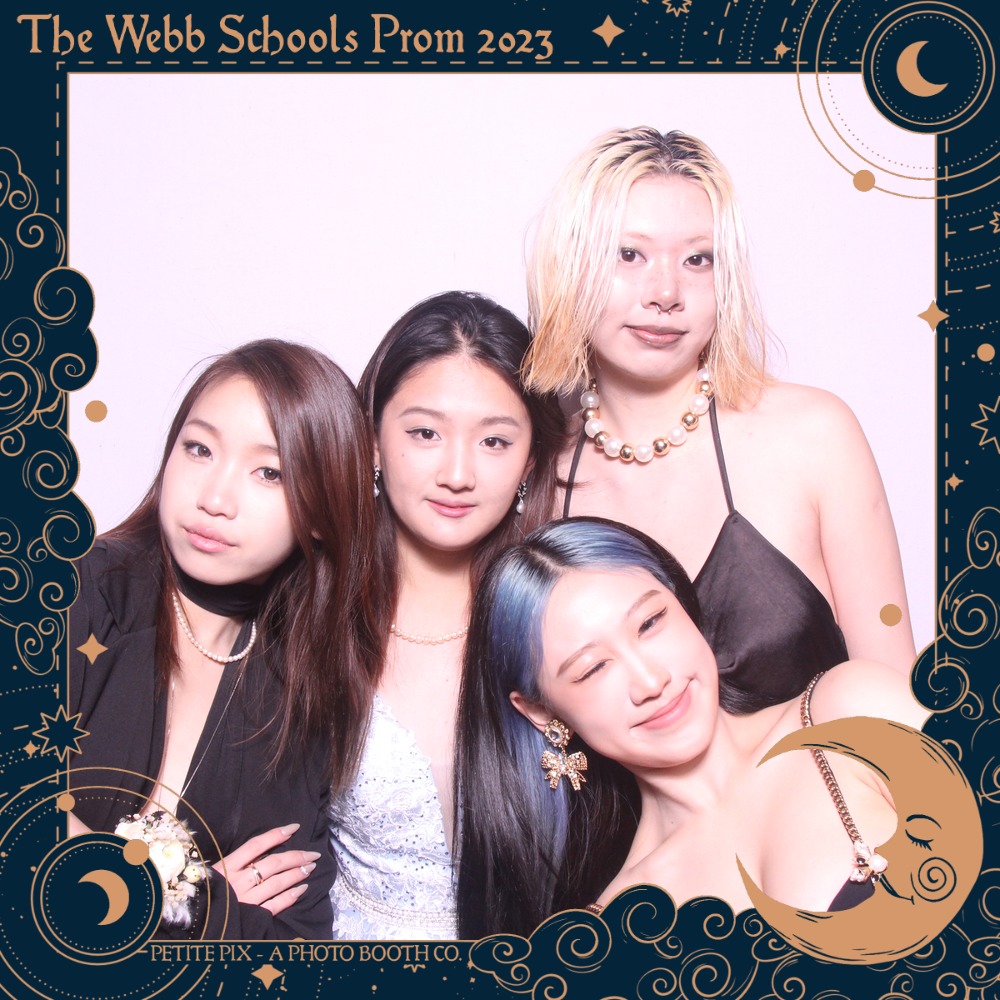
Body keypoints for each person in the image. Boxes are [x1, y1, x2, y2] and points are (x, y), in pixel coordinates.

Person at [521, 127, 915, 711]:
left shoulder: (814, 436)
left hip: (839, 772)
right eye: (628, 254)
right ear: (569, 267)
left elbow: (898, 698)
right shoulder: (533, 474)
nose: (665, 291)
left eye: (697, 259)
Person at [455, 517, 927, 939]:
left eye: (650, 623)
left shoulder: (849, 714)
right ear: (541, 712)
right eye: (593, 668)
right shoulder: (618, 927)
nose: (651, 681)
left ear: (682, 604)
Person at [69, 339, 380, 939]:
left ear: (322, 512)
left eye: (269, 472)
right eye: (199, 449)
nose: (214, 499)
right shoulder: (74, 593)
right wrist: (188, 898)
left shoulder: (299, 696)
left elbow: (295, 941)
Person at [327, 290, 563, 939]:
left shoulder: (570, 618)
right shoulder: (312, 613)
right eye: (425, 433)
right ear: (373, 440)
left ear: (530, 461)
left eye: (494, 440)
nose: (458, 473)